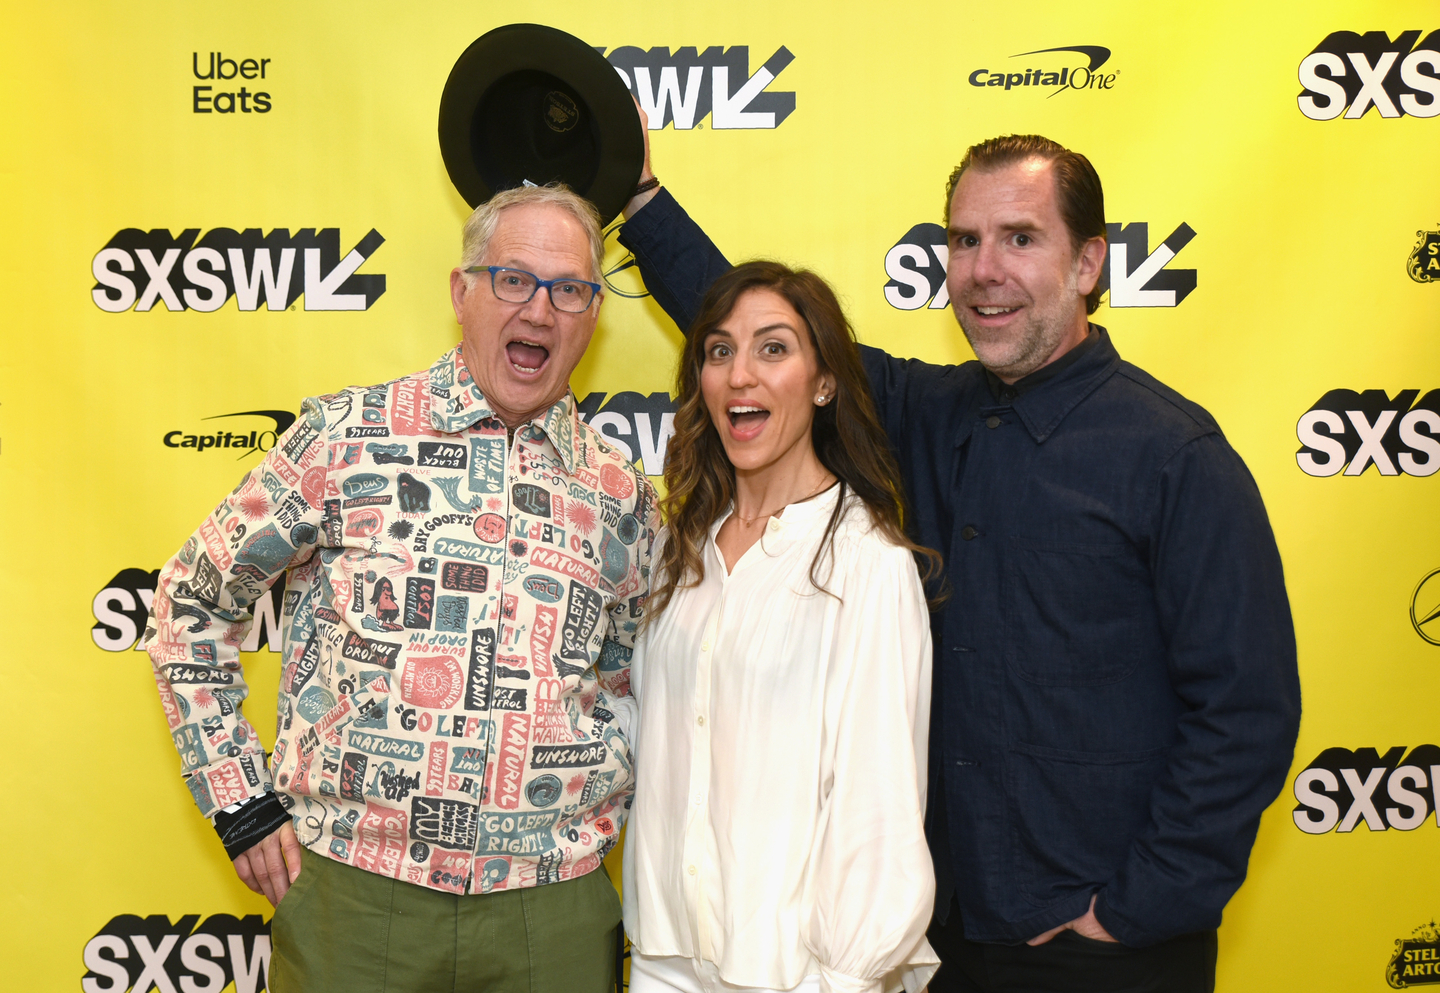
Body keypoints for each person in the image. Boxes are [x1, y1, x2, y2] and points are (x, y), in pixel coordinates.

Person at [614, 133, 1301, 992]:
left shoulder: (1174, 455)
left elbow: (1247, 711)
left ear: (1089, 263)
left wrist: (1130, 912)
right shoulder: (931, 412)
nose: (984, 270)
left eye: (1020, 238)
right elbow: (765, 343)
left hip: (1107, 953)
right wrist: (642, 199)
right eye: (965, 240)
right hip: (946, 948)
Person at [145, 183, 658, 993]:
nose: (539, 310)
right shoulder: (346, 437)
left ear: (593, 313)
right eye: (513, 279)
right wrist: (239, 800)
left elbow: (637, 684)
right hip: (353, 897)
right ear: (463, 291)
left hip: (552, 910)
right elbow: (189, 599)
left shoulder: (623, 495)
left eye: (569, 289)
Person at [622, 260, 940, 993]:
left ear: (823, 382)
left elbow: (878, 805)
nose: (741, 374)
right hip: (666, 960)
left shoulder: (867, 561)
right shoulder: (680, 554)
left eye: (773, 348)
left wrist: (844, 977)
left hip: (804, 974)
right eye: (720, 350)